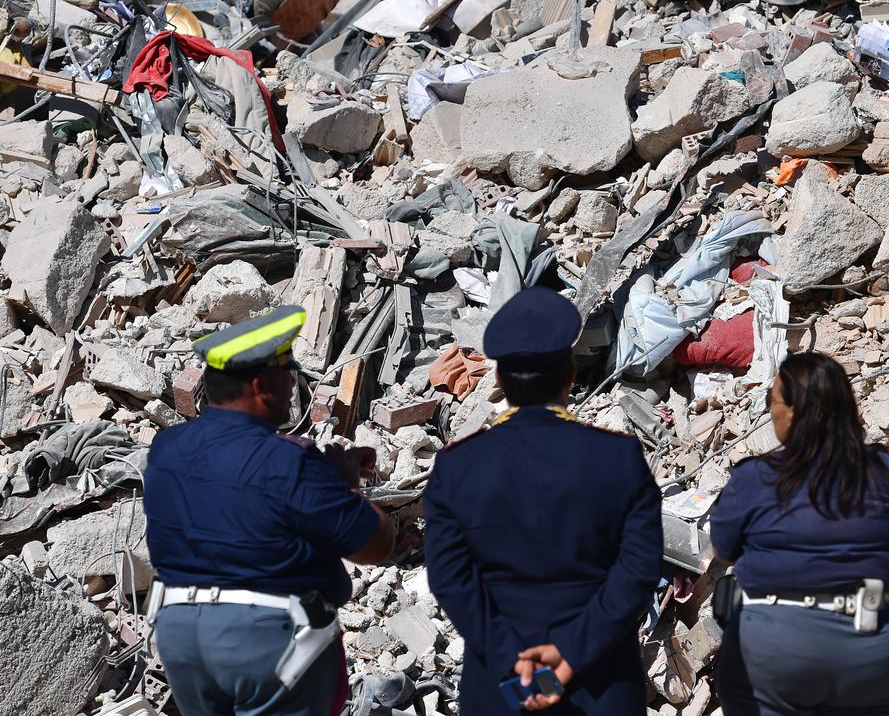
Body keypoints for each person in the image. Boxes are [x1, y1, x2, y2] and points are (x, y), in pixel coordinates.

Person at [144, 305, 394, 716]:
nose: (293, 387)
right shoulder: (288, 461)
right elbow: (375, 546)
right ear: (261, 386)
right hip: (267, 641)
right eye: (288, 376)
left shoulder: (167, 449)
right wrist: (345, 482)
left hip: (180, 637)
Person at [424, 287, 663, 715]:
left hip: (502, 688)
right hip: (602, 684)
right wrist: (569, 656)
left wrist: (510, 661)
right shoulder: (619, 457)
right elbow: (638, 572)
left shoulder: (456, 467)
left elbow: (451, 580)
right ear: (570, 374)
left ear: (497, 380)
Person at [710, 352, 889, 716]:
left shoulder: (754, 477)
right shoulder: (888, 473)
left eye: (773, 400)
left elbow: (723, 548)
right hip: (875, 651)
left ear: (793, 411)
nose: (770, 411)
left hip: (775, 654)